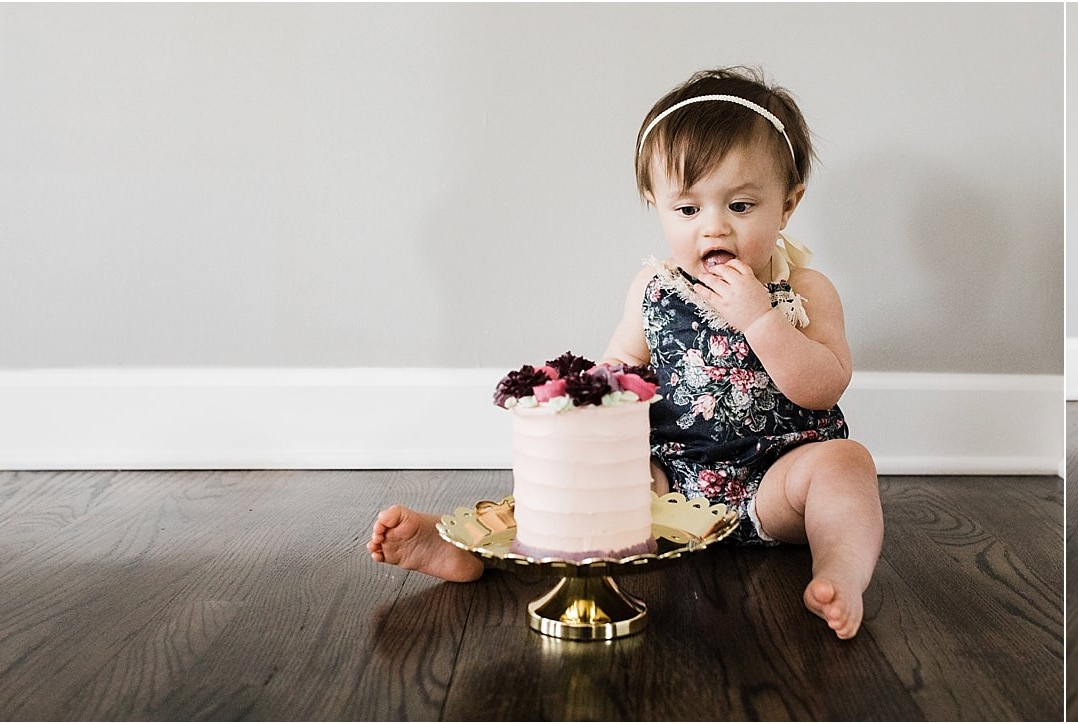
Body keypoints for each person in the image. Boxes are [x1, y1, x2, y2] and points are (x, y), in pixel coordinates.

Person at [369, 68, 883, 639]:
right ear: (655, 205)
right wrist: (578, 398)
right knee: (584, 479)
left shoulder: (805, 292)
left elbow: (824, 386)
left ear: (787, 206)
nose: (714, 227)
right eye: (687, 210)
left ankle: (840, 571)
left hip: (777, 479)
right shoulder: (654, 287)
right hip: (668, 484)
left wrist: (761, 318)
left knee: (846, 464)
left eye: (740, 206)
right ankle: (466, 547)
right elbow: (617, 369)